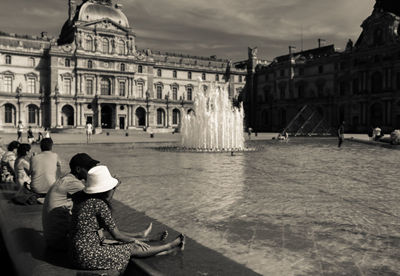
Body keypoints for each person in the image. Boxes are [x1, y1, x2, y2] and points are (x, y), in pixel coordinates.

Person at [70, 165, 185, 272]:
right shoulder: (99, 205)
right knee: (132, 247)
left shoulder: (83, 201)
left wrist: (112, 188)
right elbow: (117, 235)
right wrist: (134, 241)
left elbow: (106, 199)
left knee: (119, 244)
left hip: (76, 253)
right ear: (106, 190)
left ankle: (165, 251)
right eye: (112, 188)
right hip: (87, 257)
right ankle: (169, 246)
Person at [42, 153, 99, 250]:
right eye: (89, 168)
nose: (91, 171)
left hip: (52, 238)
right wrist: (112, 187)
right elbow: (98, 204)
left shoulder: (65, 179)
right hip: (60, 241)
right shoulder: (73, 183)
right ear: (78, 169)